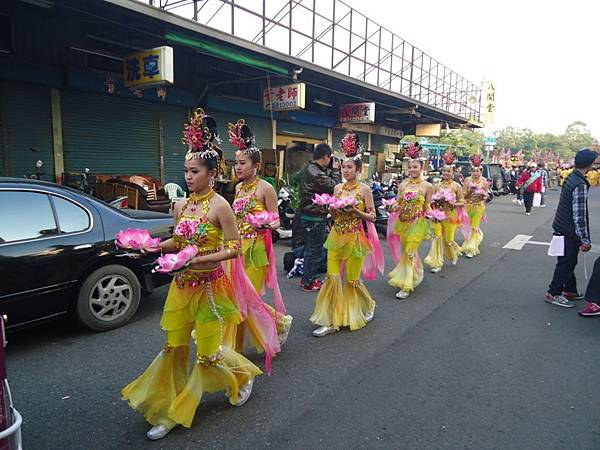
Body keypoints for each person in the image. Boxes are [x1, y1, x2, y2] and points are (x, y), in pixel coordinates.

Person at [121, 109, 262, 440]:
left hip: (210, 289)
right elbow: (178, 239)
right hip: (181, 288)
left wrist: (196, 261)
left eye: (194, 171)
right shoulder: (181, 205)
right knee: (175, 349)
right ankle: (170, 410)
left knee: (209, 356)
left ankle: (241, 376)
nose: (188, 176)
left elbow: (234, 248)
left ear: (212, 173)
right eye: (185, 170)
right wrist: (155, 246)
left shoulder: (221, 207)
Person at [229, 119, 293, 350]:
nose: (237, 167)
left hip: (257, 248)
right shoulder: (237, 188)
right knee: (238, 297)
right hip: (236, 249)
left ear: (256, 165)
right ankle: (272, 326)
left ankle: (279, 323)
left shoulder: (266, 188)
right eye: (235, 163)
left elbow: (276, 220)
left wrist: (265, 225)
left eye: (242, 163)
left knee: (249, 298)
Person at [310, 131, 382, 336]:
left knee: (352, 281)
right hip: (336, 236)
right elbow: (332, 214)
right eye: (343, 167)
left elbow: (373, 217)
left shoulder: (364, 190)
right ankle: (331, 321)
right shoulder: (338, 188)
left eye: (349, 167)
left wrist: (355, 211)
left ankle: (367, 305)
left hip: (355, 239)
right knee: (332, 279)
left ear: (359, 169)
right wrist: (330, 209)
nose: (345, 170)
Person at [545, 148, 598, 308]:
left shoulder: (571, 177)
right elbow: (579, 216)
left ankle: (570, 290)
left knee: (567, 261)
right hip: (569, 230)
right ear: (589, 164)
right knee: (566, 263)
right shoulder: (580, 183)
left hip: (561, 226)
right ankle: (553, 293)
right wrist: (585, 239)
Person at [388, 144, 434, 299]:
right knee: (406, 252)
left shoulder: (428, 186)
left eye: (415, 167)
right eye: (410, 167)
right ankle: (416, 272)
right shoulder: (403, 185)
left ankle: (406, 286)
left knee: (410, 252)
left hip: (418, 223)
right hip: (403, 222)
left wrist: (434, 214)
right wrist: (392, 206)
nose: (412, 169)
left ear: (421, 167)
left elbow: (427, 205)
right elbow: (398, 203)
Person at [299, 143, 342, 291]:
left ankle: (306, 278)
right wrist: (336, 171)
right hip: (314, 215)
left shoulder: (312, 168)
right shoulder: (316, 173)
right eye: (330, 158)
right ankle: (309, 282)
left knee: (311, 248)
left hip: (309, 214)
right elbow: (334, 186)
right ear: (325, 157)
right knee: (314, 250)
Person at [424, 153, 467, 273]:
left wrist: (452, 203)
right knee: (436, 238)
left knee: (448, 240)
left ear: (453, 173)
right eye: (444, 171)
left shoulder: (457, 186)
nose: (446, 173)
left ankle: (453, 255)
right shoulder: (436, 185)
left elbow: (462, 202)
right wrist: (434, 204)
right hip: (437, 215)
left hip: (450, 216)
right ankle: (436, 263)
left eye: (448, 171)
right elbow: (430, 200)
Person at [461, 154, 489, 258]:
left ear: (481, 172)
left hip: (479, 206)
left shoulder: (484, 181)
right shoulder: (467, 180)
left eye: (478, 171)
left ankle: (471, 249)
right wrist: (470, 191)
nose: (475, 173)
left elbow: (486, 195)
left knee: (474, 226)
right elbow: (463, 195)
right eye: (473, 171)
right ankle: (472, 239)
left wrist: (484, 197)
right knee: (467, 225)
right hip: (468, 205)